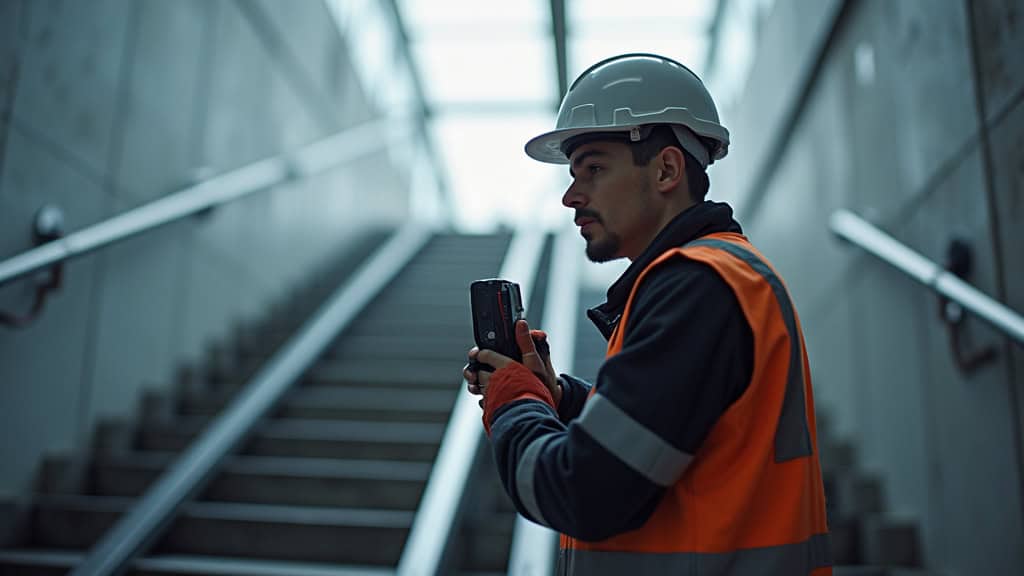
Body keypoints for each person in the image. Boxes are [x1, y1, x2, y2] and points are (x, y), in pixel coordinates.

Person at [463, 53, 832, 575]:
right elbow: (680, 440)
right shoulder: (711, 279)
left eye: (593, 168)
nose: (571, 195)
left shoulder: (696, 287)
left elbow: (582, 493)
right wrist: (561, 397)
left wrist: (514, 401)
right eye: (572, 174)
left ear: (665, 169)